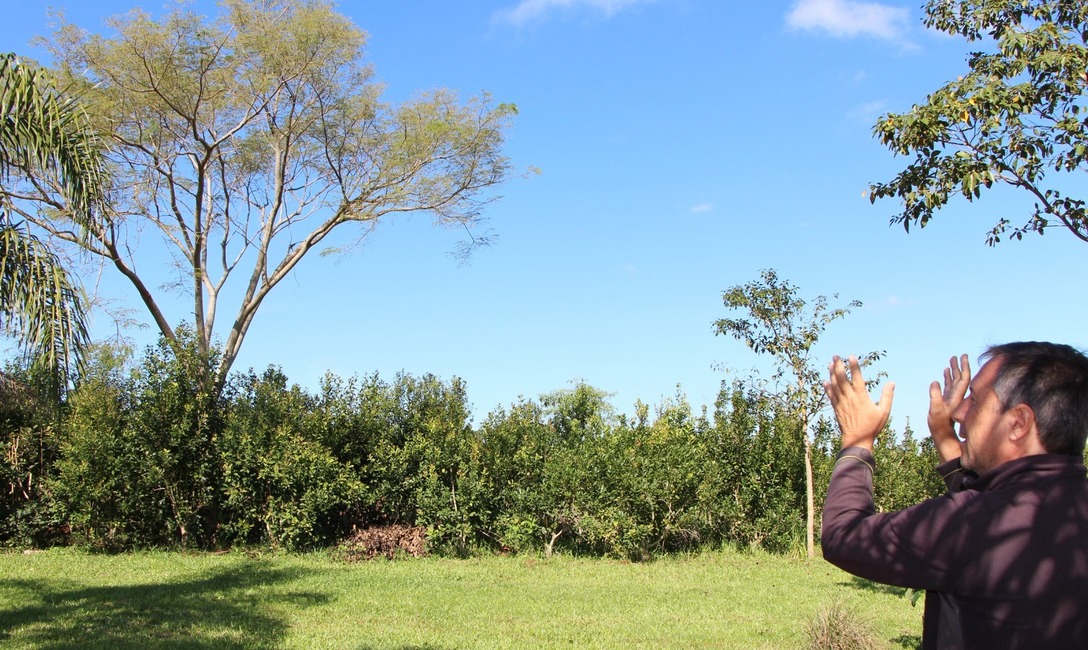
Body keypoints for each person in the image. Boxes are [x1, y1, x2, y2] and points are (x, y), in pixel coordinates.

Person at [820, 342, 1088, 649]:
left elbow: (843, 536)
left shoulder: (972, 525)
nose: (959, 411)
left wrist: (858, 440)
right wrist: (943, 433)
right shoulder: (1068, 512)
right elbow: (989, 501)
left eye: (975, 400)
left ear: (1018, 423)